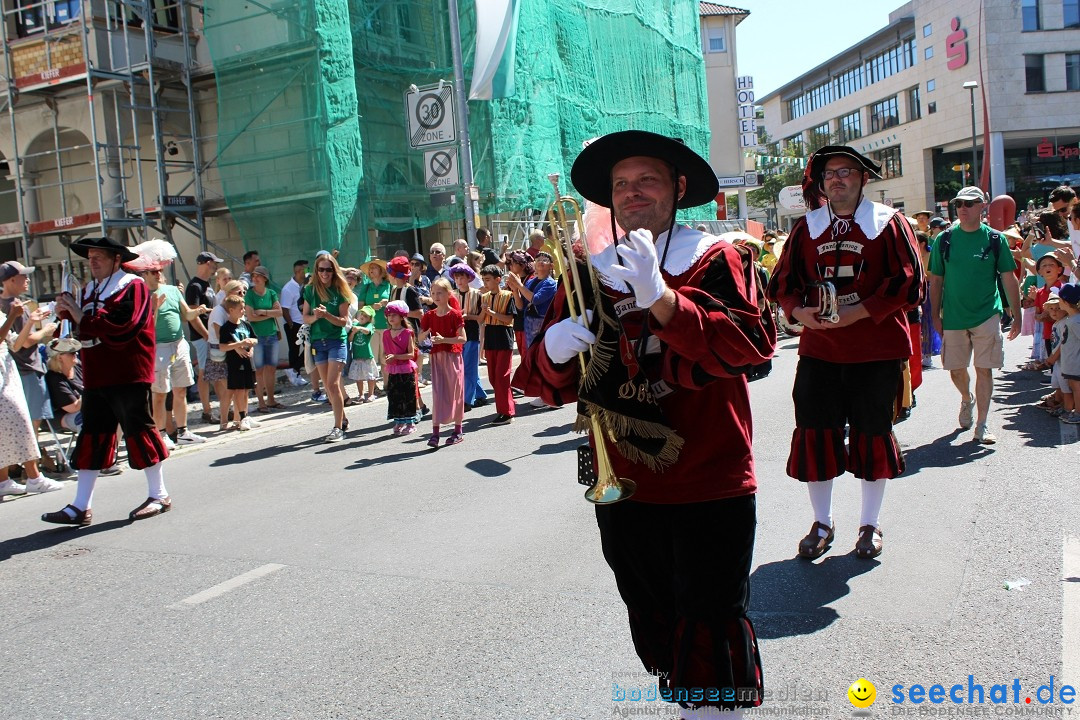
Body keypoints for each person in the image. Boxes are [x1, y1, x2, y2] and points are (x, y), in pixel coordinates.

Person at [518, 130, 774, 718]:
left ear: (678, 189)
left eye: (647, 181)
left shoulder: (717, 257)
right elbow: (545, 384)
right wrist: (552, 351)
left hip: (710, 476)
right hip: (626, 481)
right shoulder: (588, 272)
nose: (632, 193)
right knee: (653, 613)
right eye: (621, 185)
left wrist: (662, 300)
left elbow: (749, 347)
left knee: (709, 618)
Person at [767, 145, 923, 561]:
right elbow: (782, 282)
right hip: (820, 350)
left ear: (862, 178)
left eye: (846, 172)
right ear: (821, 184)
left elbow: (910, 284)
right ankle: (822, 521)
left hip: (875, 350)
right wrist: (799, 311)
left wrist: (858, 312)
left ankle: (869, 524)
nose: (837, 179)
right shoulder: (806, 228)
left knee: (873, 435)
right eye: (829, 174)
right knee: (815, 432)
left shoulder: (890, 224)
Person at [43, 237, 176, 525]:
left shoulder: (134, 285)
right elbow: (82, 330)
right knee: (92, 433)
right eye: (90, 256)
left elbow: (125, 327)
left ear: (116, 259)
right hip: (96, 372)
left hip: (128, 370)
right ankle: (80, 506)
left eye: (99, 256)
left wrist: (80, 316)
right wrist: (65, 315)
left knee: (138, 428)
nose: (92, 261)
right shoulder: (89, 289)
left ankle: (159, 494)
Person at [928, 186, 1022, 445]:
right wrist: (934, 316)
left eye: (969, 203)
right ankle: (966, 398)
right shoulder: (944, 240)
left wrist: (1017, 313)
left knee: (985, 369)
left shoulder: (995, 239)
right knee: (956, 370)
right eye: (959, 203)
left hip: (987, 314)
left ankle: (982, 425)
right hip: (955, 316)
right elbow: (935, 281)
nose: (963, 208)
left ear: (983, 206)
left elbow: (1008, 277)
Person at [140, 258, 209, 448]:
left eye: (159, 270)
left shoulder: (171, 290)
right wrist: (154, 309)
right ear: (144, 274)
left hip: (179, 344)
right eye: (153, 271)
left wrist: (198, 311)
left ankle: (183, 431)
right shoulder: (143, 295)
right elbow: (146, 328)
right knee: (160, 393)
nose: (158, 273)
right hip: (158, 347)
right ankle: (160, 434)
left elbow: (186, 315)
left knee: (181, 390)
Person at [0, 301, 63, 496]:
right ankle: (34, 477)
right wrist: (12, 316)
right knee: (21, 422)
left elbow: (16, 344)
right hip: (3, 375)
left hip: (7, 370)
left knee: (7, 427)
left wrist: (30, 322)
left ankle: (3, 481)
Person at [0, 261, 57, 463]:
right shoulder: (13, 307)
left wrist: (33, 321)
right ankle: (30, 467)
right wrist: (46, 331)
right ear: (11, 280)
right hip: (26, 368)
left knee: (25, 420)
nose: (27, 280)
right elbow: (23, 342)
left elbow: (16, 342)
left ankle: (25, 467)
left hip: (17, 369)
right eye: (23, 276)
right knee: (31, 420)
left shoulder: (10, 304)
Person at [302, 252, 354, 442]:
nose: (325, 273)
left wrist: (327, 316)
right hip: (318, 342)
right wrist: (316, 317)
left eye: (328, 270)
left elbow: (343, 322)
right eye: (321, 269)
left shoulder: (340, 291)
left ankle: (338, 428)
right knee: (328, 388)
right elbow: (305, 317)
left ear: (334, 271)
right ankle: (343, 419)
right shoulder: (310, 290)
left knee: (333, 384)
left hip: (336, 341)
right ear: (316, 270)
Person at [419, 278, 466, 447]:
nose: (436, 296)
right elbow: (420, 337)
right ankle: (435, 433)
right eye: (433, 293)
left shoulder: (455, 314)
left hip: (453, 357)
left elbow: (462, 339)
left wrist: (444, 339)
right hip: (436, 358)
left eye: (440, 293)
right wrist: (426, 335)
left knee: (455, 393)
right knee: (438, 393)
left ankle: (458, 430)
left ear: (448, 294)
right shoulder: (429, 316)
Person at [205, 279, 251, 432]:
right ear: (229, 293)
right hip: (221, 354)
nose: (242, 294)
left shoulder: (239, 309)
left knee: (241, 388)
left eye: (243, 292)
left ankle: (240, 419)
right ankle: (224, 422)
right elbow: (220, 335)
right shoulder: (219, 311)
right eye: (239, 292)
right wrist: (237, 347)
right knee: (230, 390)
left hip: (234, 354)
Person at [185, 250, 222, 424]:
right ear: (208, 263)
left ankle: (220, 408)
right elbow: (193, 316)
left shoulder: (206, 285)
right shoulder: (194, 286)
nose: (217, 267)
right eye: (215, 263)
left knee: (215, 372)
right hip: (202, 337)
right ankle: (206, 410)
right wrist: (206, 335)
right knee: (204, 372)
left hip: (211, 335)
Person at [478, 265, 516, 426]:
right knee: (494, 377)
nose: (485, 283)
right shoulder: (484, 297)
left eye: (488, 279)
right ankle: (504, 408)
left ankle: (506, 412)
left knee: (502, 376)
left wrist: (492, 313)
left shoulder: (508, 296)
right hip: (491, 338)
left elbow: (508, 319)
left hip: (503, 337)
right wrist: (482, 312)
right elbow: (480, 320)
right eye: (484, 279)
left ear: (497, 280)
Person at [245, 265, 284, 412]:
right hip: (257, 337)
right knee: (259, 370)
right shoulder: (249, 295)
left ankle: (271, 400)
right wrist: (269, 314)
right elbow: (250, 317)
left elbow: (279, 312)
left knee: (271, 369)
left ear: (265, 278)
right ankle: (261, 402)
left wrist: (262, 312)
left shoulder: (271, 293)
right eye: (253, 276)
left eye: (258, 276)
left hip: (272, 335)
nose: (254, 278)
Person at [449, 263, 488, 410]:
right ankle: (481, 395)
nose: (459, 280)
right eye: (456, 277)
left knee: (469, 367)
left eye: (462, 277)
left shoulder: (477, 295)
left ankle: (467, 400)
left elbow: (481, 318)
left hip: (472, 333)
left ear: (468, 278)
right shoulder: (452, 295)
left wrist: (467, 316)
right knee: (465, 367)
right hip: (458, 335)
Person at [219, 294, 258, 430]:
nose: (243, 311)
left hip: (248, 361)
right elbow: (222, 346)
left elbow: (254, 339)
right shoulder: (226, 328)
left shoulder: (246, 324)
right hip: (235, 364)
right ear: (231, 310)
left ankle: (245, 415)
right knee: (239, 390)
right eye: (241, 309)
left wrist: (250, 345)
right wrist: (238, 345)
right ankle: (241, 417)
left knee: (247, 389)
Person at [383, 300, 418, 435]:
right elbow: (386, 352)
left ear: (402, 316)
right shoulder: (386, 333)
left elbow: (410, 354)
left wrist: (396, 357)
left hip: (405, 369)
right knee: (394, 395)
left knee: (408, 395)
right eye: (389, 315)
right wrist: (387, 358)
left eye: (394, 315)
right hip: (393, 369)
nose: (391, 318)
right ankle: (399, 420)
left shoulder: (407, 333)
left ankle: (410, 422)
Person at [358, 258, 391, 391]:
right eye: (370, 268)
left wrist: (387, 303)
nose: (371, 270)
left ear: (382, 271)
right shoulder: (366, 287)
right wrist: (372, 306)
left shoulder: (389, 285)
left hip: (386, 326)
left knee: (384, 357)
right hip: (371, 327)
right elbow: (361, 307)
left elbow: (396, 302)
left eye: (374, 267)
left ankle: (387, 384)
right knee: (371, 358)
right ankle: (374, 386)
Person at [279, 259, 310, 387]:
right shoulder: (288, 288)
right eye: (306, 269)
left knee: (309, 347)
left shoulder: (306, 285)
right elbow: (284, 309)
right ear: (298, 271)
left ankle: (294, 370)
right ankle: (294, 373)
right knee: (294, 349)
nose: (308, 272)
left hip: (304, 323)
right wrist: (291, 324)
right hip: (294, 323)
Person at [348, 305, 379, 402]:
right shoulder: (355, 326)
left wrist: (359, 328)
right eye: (361, 314)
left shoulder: (369, 326)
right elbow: (350, 339)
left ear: (369, 319)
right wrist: (353, 332)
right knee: (358, 377)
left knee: (370, 376)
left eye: (365, 316)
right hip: (357, 356)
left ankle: (371, 394)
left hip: (367, 356)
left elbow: (367, 332)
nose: (362, 316)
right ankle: (361, 394)